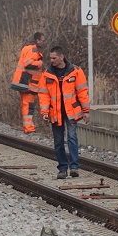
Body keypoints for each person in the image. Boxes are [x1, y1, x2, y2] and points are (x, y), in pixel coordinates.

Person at [37, 45, 90, 178]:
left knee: (72, 137)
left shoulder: (76, 71)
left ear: (62, 57)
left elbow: (82, 92)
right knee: (58, 141)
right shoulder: (46, 74)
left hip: (71, 112)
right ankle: (62, 168)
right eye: (51, 58)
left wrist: (86, 111)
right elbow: (43, 95)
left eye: (54, 58)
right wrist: (44, 112)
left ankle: (74, 167)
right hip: (55, 113)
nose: (52, 60)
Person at [11, 31, 46, 133]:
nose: (43, 43)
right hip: (27, 83)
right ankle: (29, 128)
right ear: (37, 40)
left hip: (23, 81)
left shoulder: (27, 48)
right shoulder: (33, 49)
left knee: (25, 104)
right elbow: (28, 63)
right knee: (28, 105)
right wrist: (39, 63)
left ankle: (28, 128)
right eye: (42, 41)